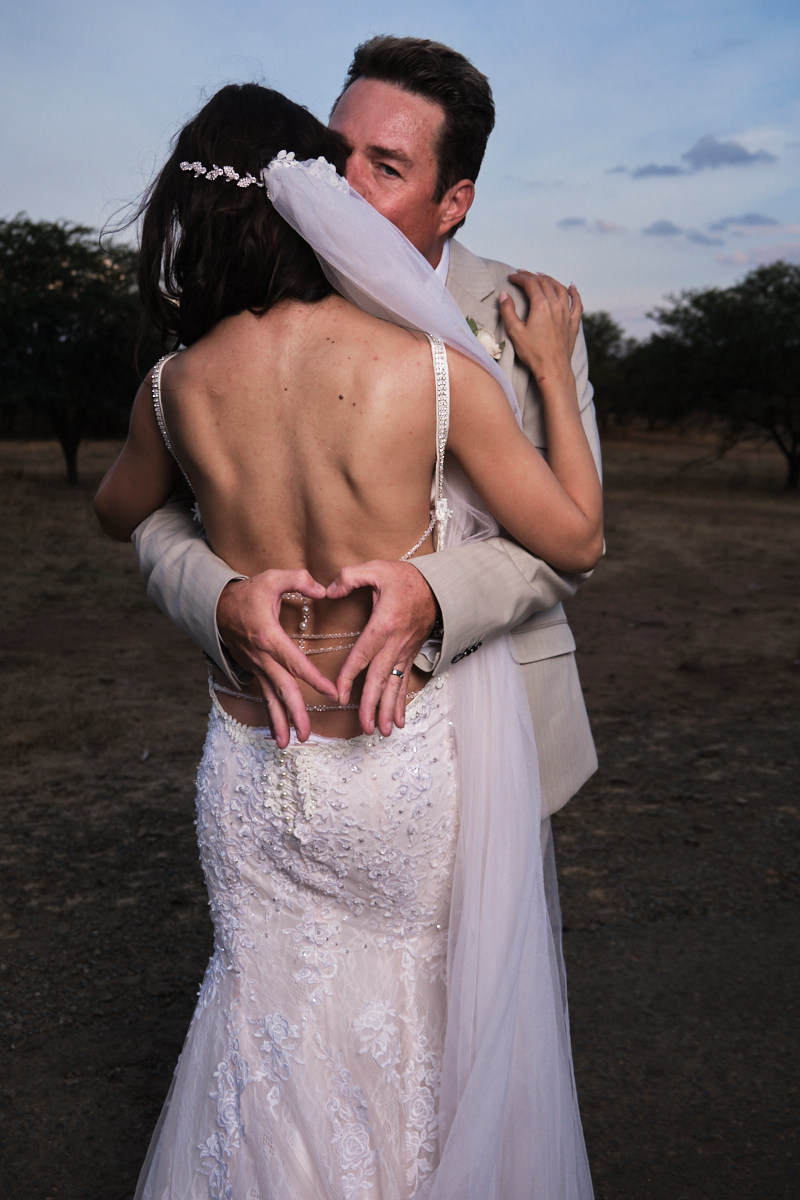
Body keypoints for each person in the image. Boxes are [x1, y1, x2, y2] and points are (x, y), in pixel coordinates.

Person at [94, 83, 599, 1198]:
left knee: (261, 1019)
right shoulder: (427, 369)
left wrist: (223, 561)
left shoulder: (174, 388)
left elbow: (117, 510)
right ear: (307, 204)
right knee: (408, 1021)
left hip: (253, 761)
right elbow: (575, 537)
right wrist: (553, 384)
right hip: (392, 759)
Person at [132, 37, 602, 822]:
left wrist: (434, 596)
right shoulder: (249, 304)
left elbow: (572, 544)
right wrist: (215, 597)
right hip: (295, 730)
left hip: (497, 720)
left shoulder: (527, 318)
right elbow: (157, 507)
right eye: (332, 153)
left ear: (453, 202)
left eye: (385, 168)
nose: (342, 186)